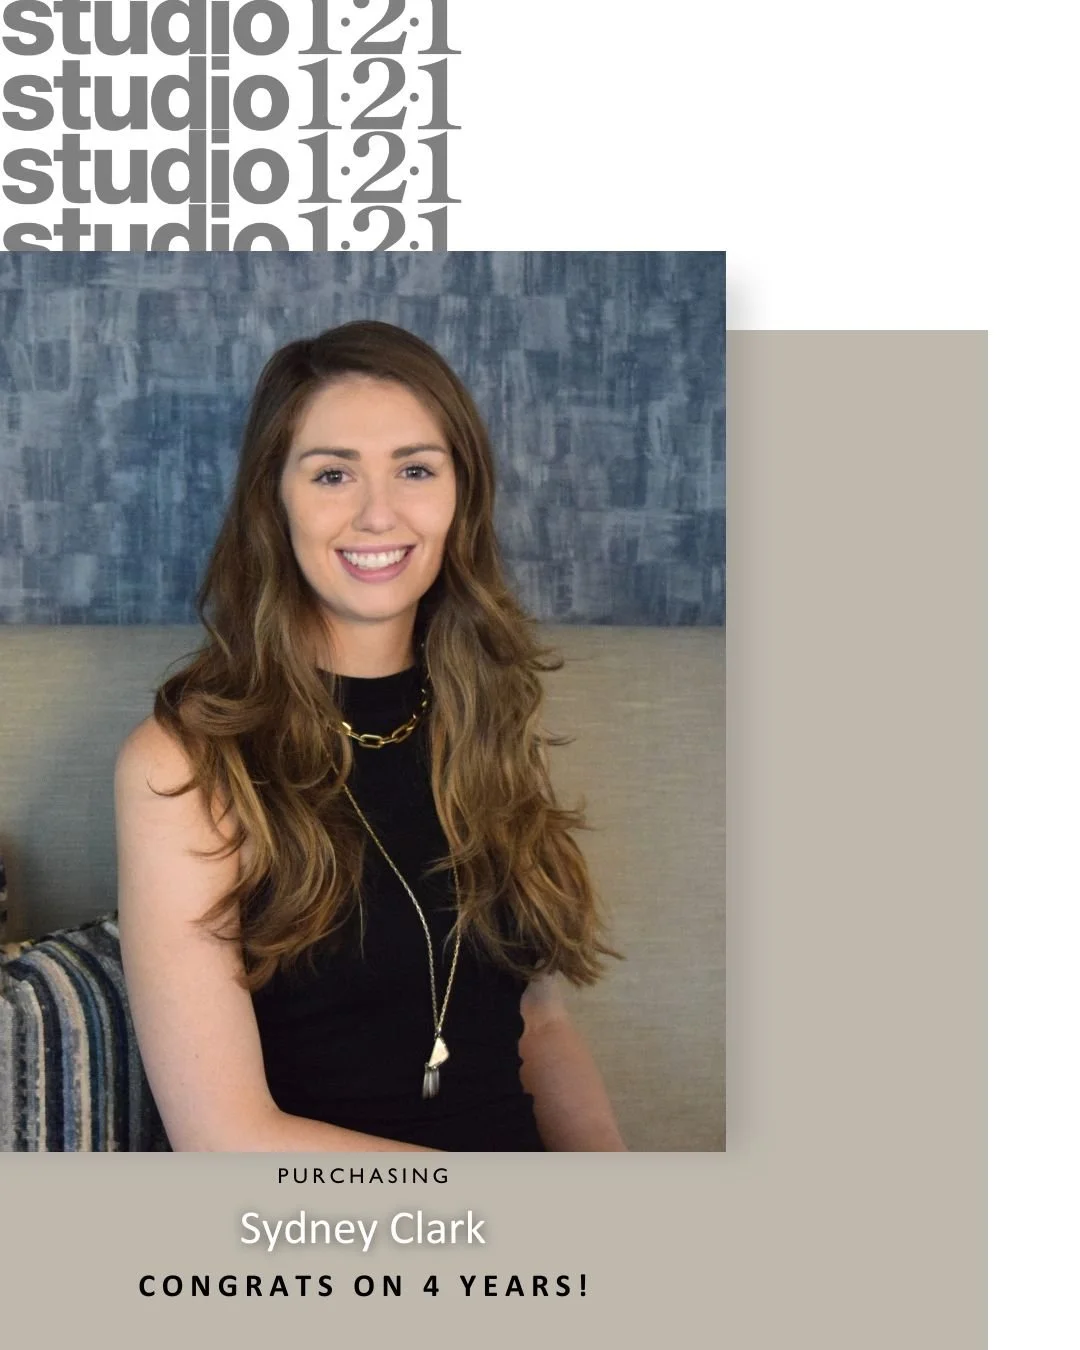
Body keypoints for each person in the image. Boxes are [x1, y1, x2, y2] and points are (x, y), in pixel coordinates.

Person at [115, 319, 627, 1152]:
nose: (379, 513)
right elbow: (224, 1138)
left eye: (415, 469)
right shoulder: (184, 762)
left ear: (461, 495)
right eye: (333, 474)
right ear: (273, 500)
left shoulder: (485, 711)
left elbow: (538, 1022)